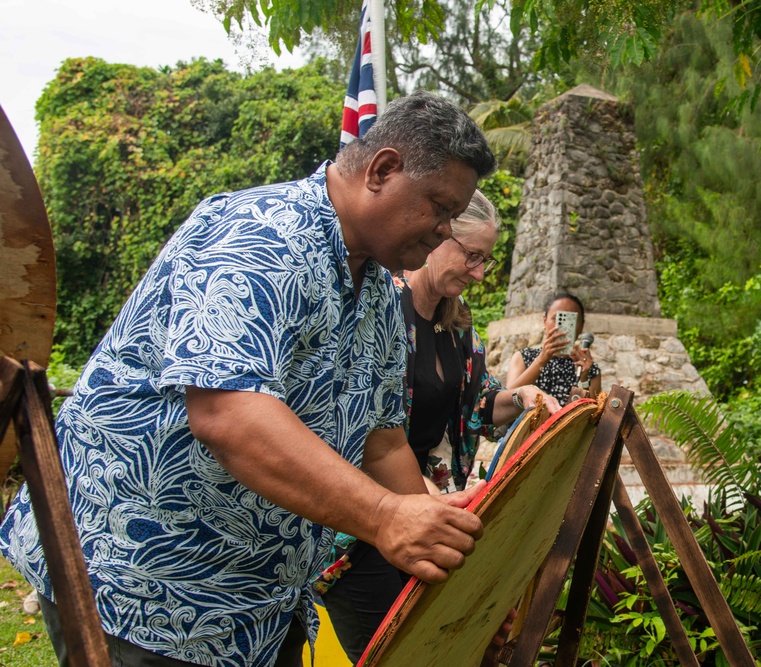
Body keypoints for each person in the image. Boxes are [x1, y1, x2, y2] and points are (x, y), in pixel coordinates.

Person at [0, 91, 496, 667]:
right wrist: (385, 518)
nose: (443, 231)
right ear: (382, 170)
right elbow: (230, 414)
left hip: (256, 606)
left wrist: (431, 540)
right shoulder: (258, 235)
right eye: (439, 207)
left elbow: (380, 440)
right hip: (143, 583)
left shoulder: (382, 297)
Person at [315, 190, 560, 663]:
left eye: (486, 260)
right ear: (440, 235)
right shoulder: (381, 309)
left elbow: (479, 406)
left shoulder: (458, 325)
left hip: (428, 507)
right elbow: (360, 428)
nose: (479, 272)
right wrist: (424, 495)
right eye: (472, 256)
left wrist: (521, 396)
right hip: (367, 523)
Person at [505, 292, 602, 406]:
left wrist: (584, 378)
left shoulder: (589, 368)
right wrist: (542, 359)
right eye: (557, 318)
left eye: (570, 320)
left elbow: (592, 414)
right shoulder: (523, 356)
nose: (562, 327)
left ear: (581, 326)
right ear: (544, 321)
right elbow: (507, 399)